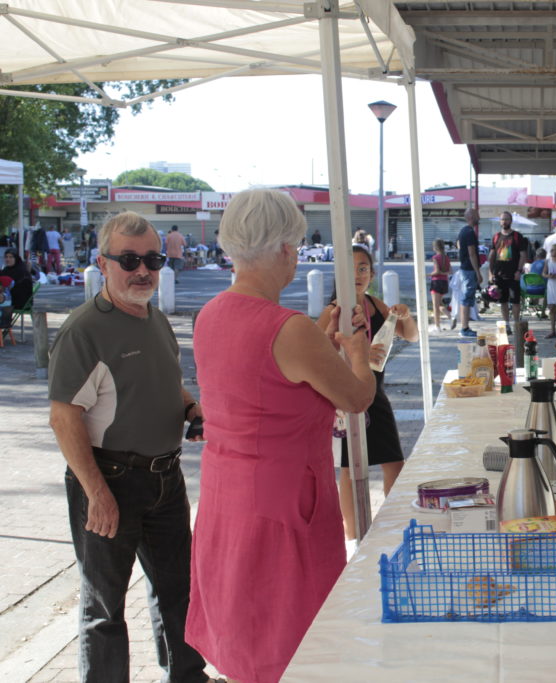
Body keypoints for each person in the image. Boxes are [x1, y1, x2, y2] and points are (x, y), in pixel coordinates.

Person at [186, 190, 376, 683]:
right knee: (293, 640)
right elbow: (356, 397)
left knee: (242, 631)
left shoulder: (210, 315)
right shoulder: (288, 328)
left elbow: (267, 376)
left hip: (227, 494)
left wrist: (319, 337)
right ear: (287, 251)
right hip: (285, 502)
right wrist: (358, 351)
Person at [47, 212, 216, 683]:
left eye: (152, 259)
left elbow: (163, 382)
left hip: (166, 478)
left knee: (177, 591)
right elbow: (64, 418)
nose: (142, 269)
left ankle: (187, 677)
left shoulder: (156, 317)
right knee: (105, 606)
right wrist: (96, 493)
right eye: (129, 260)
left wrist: (189, 409)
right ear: (103, 263)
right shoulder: (84, 331)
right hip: (109, 479)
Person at [318, 244, 418, 544]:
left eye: (363, 268)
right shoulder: (333, 309)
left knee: (394, 461)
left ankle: (395, 525)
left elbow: (410, 336)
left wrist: (405, 316)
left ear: (372, 274)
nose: (358, 274)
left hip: (376, 392)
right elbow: (319, 350)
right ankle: (353, 536)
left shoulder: (376, 304)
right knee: (350, 468)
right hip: (347, 395)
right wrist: (352, 349)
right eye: (351, 268)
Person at [488, 211, 529, 329]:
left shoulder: (517, 236)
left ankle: (516, 324)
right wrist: (490, 273)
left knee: (515, 301)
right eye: (502, 219)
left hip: (513, 274)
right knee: (503, 301)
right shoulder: (496, 237)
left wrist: (519, 271)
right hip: (499, 274)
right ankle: (506, 325)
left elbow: (523, 255)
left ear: (511, 221)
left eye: (506, 219)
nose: (504, 221)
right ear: (500, 222)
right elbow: (491, 256)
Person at [456, 208, 483, 337]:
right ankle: (465, 328)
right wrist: (478, 272)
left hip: (464, 268)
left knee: (466, 298)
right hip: (469, 269)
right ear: (471, 217)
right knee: (466, 298)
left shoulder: (463, 231)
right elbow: (472, 253)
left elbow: (459, 246)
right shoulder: (470, 232)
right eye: (477, 215)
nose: (479, 217)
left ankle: (465, 325)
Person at [429, 237, 452, 332]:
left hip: (436, 282)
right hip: (444, 282)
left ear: (435, 248)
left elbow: (436, 271)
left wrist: (427, 274)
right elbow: (450, 271)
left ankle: (437, 326)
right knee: (439, 304)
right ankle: (451, 317)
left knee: (435, 305)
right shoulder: (446, 257)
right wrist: (444, 273)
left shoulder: (435, 258)